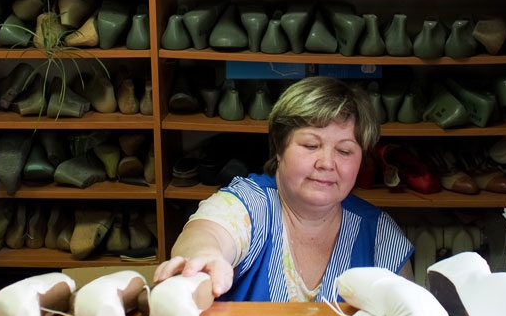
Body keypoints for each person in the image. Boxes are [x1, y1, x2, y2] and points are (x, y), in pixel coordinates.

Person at [153, 76, 413, 302]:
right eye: (311, 145)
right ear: (279, 149)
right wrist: (204, 256)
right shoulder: (249, 204)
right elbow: (208, 233)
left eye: (345, 151)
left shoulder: (379, 233)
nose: (326, 163)